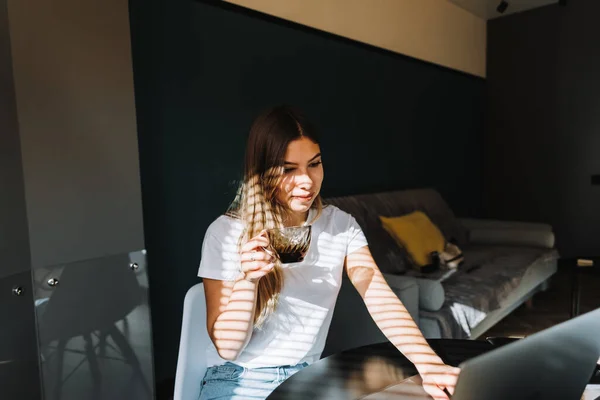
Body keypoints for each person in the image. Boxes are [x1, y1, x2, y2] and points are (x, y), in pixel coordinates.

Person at [197, 105, 460, 400]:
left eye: (314, 163)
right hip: (240, 380)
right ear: (262, 173)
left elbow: (378, 293)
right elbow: (228, 347)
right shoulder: (226, 233)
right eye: (288, 169)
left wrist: (429, 363)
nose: (307, 181)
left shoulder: (340, 226)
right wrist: (248, 281)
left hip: (307, 378)